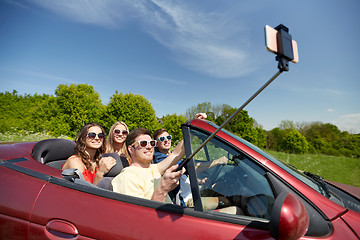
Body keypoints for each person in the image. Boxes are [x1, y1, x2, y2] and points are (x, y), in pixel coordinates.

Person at [112, 128, 185, 202]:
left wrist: (190, 126)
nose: (149, 147)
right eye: (143, 143)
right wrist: (162, 189)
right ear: (131, 149)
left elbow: (176, 154)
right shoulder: (127, 177)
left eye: (152, 143)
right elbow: (139, 212)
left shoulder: (154, 169)